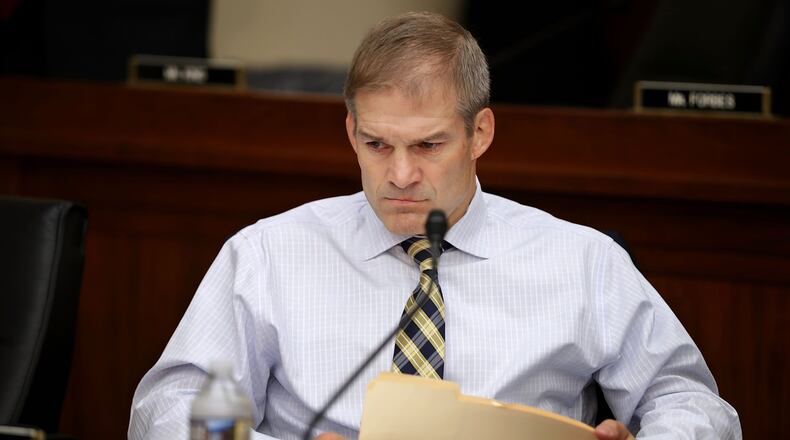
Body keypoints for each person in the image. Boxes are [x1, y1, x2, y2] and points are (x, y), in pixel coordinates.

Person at [129, 11, 741, 440]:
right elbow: (168, 411)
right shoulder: (268, 253)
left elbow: (692, 403)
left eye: (428, 145)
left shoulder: (583, 260)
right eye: (376, 144)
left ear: (480, 133)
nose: (399, 175)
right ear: (351, 132)